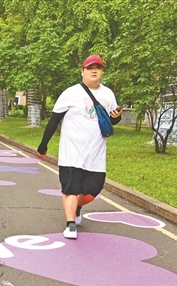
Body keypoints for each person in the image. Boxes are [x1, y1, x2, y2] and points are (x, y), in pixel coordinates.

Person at [36, 54, 123, 240]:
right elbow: (54, 120)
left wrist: (116, 117)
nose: (94, 71)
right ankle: (70, 224)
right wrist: (43, 145)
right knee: (71, 188)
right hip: (72, 152)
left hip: (96, 154)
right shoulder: (70, 93)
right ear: (82, 71)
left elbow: (112, 120)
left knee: (92, 191)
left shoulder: (108, 94)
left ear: (102, 72)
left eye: (98, 68)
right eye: (90, 68)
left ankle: (77, 206)